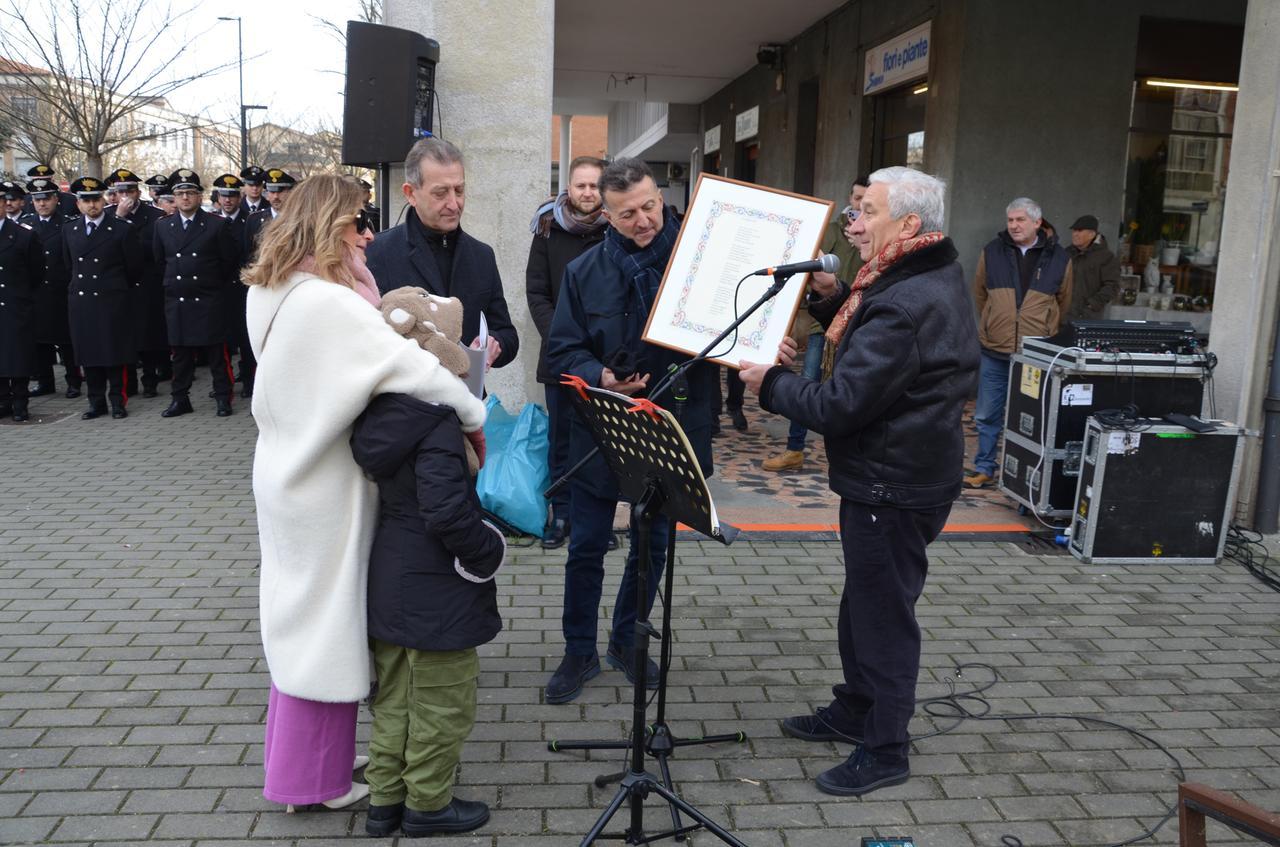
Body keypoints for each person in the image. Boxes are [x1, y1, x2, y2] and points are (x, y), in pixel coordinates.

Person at [242, 173, 487, 815]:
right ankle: (311, 783)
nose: (368, 234)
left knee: (298, 621)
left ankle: (297, 767)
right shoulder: (330, 302)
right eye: (357, 223)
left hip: (285, 470)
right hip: (323, 481)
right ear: (328, 228)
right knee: (325, 630)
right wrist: (473, 415)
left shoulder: (275, 288)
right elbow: (415, 367)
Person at [740, 166, 979, 796]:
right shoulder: (920, 271)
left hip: (892, 483)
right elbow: (870, 324)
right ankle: (855, 707)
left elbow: (841, 403)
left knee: (882, 615)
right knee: (866, 601)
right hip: (901, 473)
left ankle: (886, 748)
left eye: (866, 212)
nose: (854, 223)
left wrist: (769, 384)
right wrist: (829, 294)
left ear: (906, 223)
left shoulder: (904, 303)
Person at [544, 158, 716, 704]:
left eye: (649, 206)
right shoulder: (584, 271)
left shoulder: (697, 265)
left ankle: (627, 640)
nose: (644, 220)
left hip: (675, 423)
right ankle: (578, 651)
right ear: (607, 216)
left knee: (655, 544)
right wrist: (603, 376)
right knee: (587, 546)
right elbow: (562, 350)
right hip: (601, 426)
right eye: (628, 214)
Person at [351, 290, 504, 838]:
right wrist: (488, 551)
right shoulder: (435, 419)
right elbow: (444, 512)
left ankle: (385, 803)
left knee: (392, 698)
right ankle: (428, 805)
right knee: (442, 700)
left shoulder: (378, 411)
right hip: (435, 583)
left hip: (388, 575)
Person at [365, 138, 519, 371]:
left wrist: (495, 343)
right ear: (410, 193)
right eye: (440, 193)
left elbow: (507, 334)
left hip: (467, 400)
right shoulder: (378, 252)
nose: (454, 203)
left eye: (459, 190)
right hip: (405, 403)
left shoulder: (482, 256)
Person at [525, 155, 608, 549]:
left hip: (604, 362)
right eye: (581, 185)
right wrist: (560, 335)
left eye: (594, 185)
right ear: (568, 188)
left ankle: (596, 523)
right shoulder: (547, 229)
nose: (588, 192)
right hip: (559, 357)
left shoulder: (615, 232)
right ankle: (561, 515)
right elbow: (536, 292)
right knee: (561, 440)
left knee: (600, 442)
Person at [964, 197, 1072, 488]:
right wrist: (993, 320)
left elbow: (1063, 302)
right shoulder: (993, 251)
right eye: (1010, 220)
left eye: (1020, 220)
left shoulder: (1060, 257)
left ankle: (1024, 474)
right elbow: (980, 293)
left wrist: (1043, 327)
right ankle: (984, 468)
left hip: (1034, 354)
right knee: (987, 413)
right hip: (994, 349)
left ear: (1038, 222)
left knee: (1028, 416)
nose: (1013, 225)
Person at [762, 174, 867, 472]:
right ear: (850, 199)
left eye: (867, 202)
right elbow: (812, 262)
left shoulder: (871, 237)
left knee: (847, 387)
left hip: (856, 319)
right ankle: (795, 448)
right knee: (807, 379)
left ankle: (847, 452)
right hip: (825, 319)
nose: (859, 206)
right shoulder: (832, 229)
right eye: (857, 198)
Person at [152, 169, 241, 418]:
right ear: (174, 197)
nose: (185, 198)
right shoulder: (163, 226)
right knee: (180, 355)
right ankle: (180, 399)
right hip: (177, 299)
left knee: (216, 354)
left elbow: (228, 261)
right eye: (180, 193)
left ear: (199, 195)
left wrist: (210, 284)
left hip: (208, 298)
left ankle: (223, 397)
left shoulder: (216, 224)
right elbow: (160, 262)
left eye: (190, 193)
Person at [63, 176, 143, 420]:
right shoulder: (70, 229)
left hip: (111, 299)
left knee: (114, 353)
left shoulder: (121, 228)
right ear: (78, 204)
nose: (92, 205)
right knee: (89, 353)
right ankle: (96, 402)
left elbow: (133, 268)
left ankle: (118, 401)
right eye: (86, 201)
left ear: (105, 200)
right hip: (83, 300)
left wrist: (116, 288)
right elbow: (69, 265)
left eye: (96, 199)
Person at [107, 168, 169, 398]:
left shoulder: (154, 215)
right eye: (120, 191)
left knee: (148, 336)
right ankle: (129, 383)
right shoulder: (110, 216)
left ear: (137, 191)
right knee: (126, 337)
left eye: (130, 190)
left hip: (146, 281)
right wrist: (119, 220)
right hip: (120, 284)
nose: (125, 196)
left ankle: (150, 380)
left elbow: (156, 250)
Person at [22, 177, 83, 399]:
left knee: (66, 342)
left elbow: (71, 260)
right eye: (37, 200)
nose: (42, 204)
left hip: (60, 290)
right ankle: (45, 382)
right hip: (37, 292)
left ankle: (74, 381)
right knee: (40, 342)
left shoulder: (67, 224)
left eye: (46, 199)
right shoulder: (27, 225)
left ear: (56, 199)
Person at [212, 173, 257, 398]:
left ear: (239, 197)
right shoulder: (210, 221)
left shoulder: (250, 220)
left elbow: (250, 254)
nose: (227, 200)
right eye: (223, 196)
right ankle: (223, 385)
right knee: (220, 342)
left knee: (246, 340)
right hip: (218, 290)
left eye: (232, 195)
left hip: (242, 289)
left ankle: (249, 382)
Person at [0, 201, 43, 422]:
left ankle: (19, 402)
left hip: (15, 303)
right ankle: (2, 401)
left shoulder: (23, 235)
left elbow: (36, 272)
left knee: (17, 355)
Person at [1064, 214, 1120, 321]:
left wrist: (1092, 305)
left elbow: (1113, 286)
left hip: (1088, 317)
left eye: (1079, 231)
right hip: (1064, 316)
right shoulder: (1067, 253)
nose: (1075, 234)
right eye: (1074, 230)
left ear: (1092, 234)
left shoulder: (1106, 257)